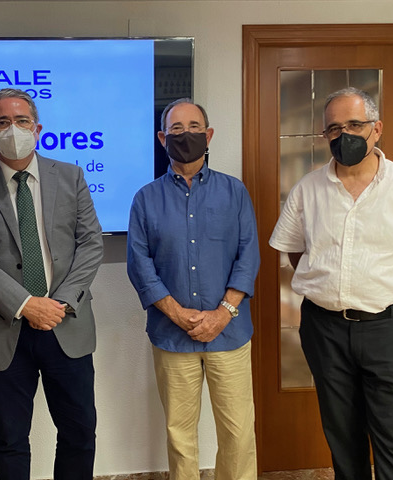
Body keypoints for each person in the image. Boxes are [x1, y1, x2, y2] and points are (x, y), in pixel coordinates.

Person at [269, 87, 393, 480]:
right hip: (326, 330)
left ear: (377, 129)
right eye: (334, 129)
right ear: (325, 135)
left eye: (355, 124)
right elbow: (295, 250)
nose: (344, 135)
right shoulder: (307, 189)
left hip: (390, 329)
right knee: (342, 437)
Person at [0, 88, 103, 480]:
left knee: (80, 433)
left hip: (65, 322)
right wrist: (25, 304)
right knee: (11, 439)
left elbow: (90, 244)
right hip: (4, 326)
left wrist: (59, 303)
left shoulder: (70, 176)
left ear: (38, 128)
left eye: (21, 121)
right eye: (2, 122)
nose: (12, 129)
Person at [127, 98, 260, 480]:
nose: (185, 135)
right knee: (180, 435)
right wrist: (177, 313)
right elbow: (140, 264)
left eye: (194, 127)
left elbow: (248, 256)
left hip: (230, 334)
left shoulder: (234, 192)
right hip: (172, 336)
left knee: (238, 433)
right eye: (176, 129)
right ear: (162, 138)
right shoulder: (145, 198)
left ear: (209, 134)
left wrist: (223, 313)